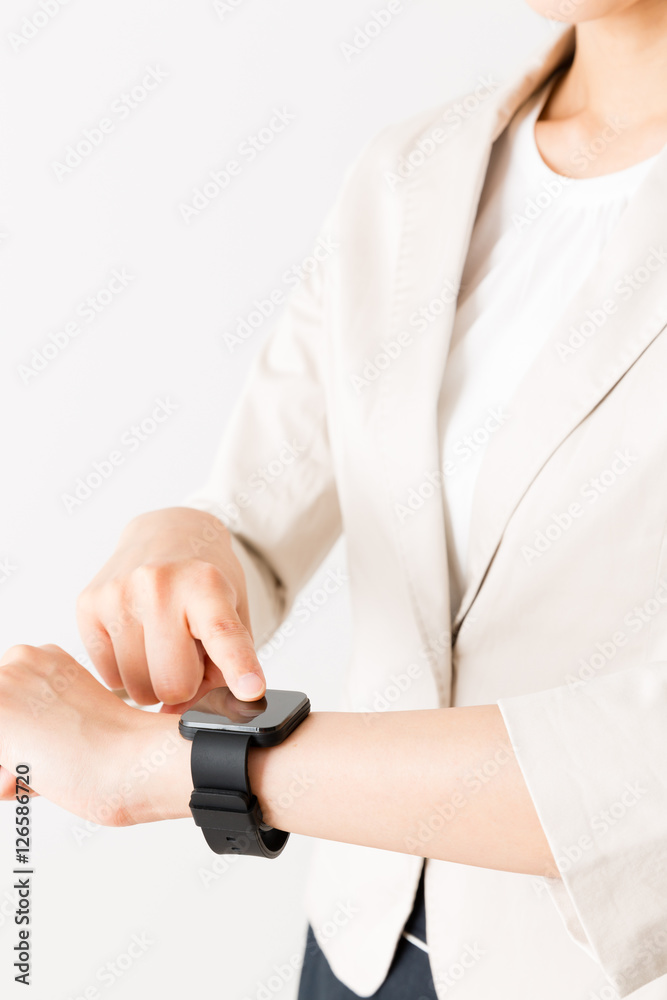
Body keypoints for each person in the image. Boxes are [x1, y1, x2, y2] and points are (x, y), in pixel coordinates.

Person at [3, 0, 667, 996]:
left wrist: (166, 766)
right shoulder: (416, 170)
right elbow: (255, 515)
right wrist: (195, 539)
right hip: (360, 949)